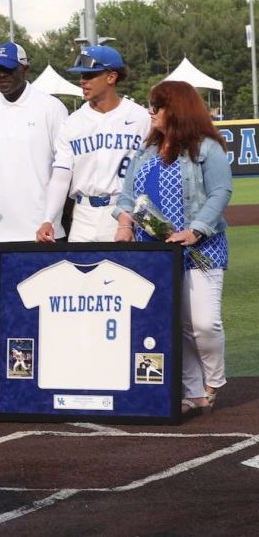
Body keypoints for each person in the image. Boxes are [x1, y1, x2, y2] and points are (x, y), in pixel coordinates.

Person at [113, 80, 232, 417]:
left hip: (201, 249)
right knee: (176, 324)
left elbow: (221, 192)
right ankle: (193, 391)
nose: (151, 112)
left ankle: (214, 380)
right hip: (153, 253)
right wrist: (124, 224)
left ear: (175, 109)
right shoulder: (146, 151)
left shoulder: (208, 148)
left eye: (157, 106)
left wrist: (195, 230)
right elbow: (126, 197)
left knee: (204, 324)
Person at [0, 42, 68, 415]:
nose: (0, 75)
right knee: (1, 317)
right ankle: (3, 390)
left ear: (26, 69)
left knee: (49, 314)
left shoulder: (50, 107)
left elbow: (64, 168)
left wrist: (57, 222)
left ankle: (54, 385)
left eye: (7, 68)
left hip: (43, 231)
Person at [36, 45, 150, 243]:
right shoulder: (72, 123)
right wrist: (48, 219)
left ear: (111, 77)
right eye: (81, 75)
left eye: (90, 75)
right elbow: (61, 177)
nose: (83, 81)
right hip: (82, 216)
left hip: (125, 213)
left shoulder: (140, 118)